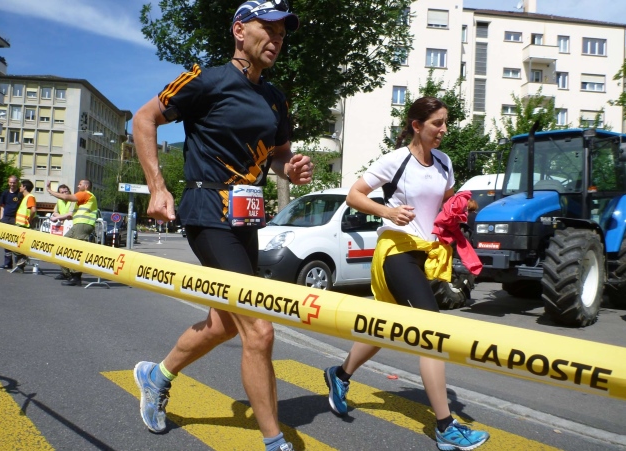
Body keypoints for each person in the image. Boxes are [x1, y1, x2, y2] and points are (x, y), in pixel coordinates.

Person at [131, 2, 311, 450]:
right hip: (207, 213)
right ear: (239, 31)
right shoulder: (206, 80)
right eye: (268, 28)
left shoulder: (275, 97)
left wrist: (291, 168)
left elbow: (279, 155)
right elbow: (144, 118)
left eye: (282, 33)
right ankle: (274, 442)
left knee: (225, 324)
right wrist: (157, 187)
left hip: (246, 218)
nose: (276, 39)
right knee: (259, 328)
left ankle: (157, 376)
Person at [323, 97, 490, 451]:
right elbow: (354, 196)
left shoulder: (444, 162)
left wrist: (463, 205)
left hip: (424, 254)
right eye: (437, 123)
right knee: (432, 331)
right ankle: (445, 426)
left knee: (384, 326)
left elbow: (445, 203)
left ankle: (339, 375)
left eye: (445, 122)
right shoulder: (395, 160)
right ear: (417, 125)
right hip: (396, 250)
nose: (444, 129)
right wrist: (388, 212)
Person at [46, 179, 98, 286]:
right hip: (78, 224)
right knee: (62, 245)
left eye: (80, 184)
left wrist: (49, 190)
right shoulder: (82, 198)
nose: (78, 186)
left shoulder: (86, 194)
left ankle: (76, 277)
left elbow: (66, 197)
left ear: (86, 186)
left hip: (83, 224)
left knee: (76, 250)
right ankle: (68, 274)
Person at [0, 175, 23, 270]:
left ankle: (20, 264)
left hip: (15, 219)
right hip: (6, 219)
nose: (12, 184)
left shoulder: (20, 194)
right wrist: (1, 219)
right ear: (8, 183)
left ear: (17, 183)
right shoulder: (5, 193)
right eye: (11, 182)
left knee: (16, 241)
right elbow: (2, 206)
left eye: (14, 182)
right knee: (6, 241)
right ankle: (7, 264)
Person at [12, 179, 37, 273]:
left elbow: (33, 210)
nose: (20, 187)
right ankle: (20, 266)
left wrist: (30, 219)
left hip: (23, 225)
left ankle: (23, 258)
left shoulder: (30, 197)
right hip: (20, 224)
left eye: (21, 186)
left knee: (15, 245)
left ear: (25, 187)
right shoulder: (25, 197)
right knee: (17, 245)